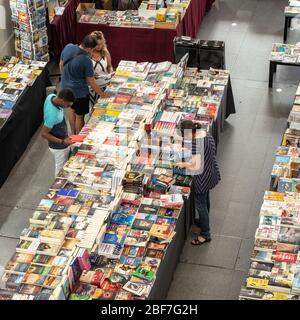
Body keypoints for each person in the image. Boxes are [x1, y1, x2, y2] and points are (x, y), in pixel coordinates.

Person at [175, 120, 221, 245]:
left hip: (201, 177)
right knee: (205, 199)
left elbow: (194, 165)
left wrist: (183, 163)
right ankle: (203, 220)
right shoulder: (206, 134)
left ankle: (205, 234)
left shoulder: (195, 144)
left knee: (200, 204)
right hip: (210, 171)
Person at [59, 35, 111, 134]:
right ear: (88, 48)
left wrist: (65, 76)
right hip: (79, 92)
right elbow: (91, 81)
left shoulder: (68, 47)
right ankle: (78, 138)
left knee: (71, 109)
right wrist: (102, 94)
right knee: (80, 116)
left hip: (65, 87)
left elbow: (61, 64)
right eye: (92, 50)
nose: (92, 52)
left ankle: (73, 134)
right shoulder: (86, 60)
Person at [41, 88, 76, 176]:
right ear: (62, 101)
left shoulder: (51, 96)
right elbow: (44, 133)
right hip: (58, 147)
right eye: (68, 105)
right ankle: (57, 188)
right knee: (60, 167)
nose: (68, 107)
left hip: (63, 138)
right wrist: (63, 142)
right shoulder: (53, 115)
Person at [89, 31, 114, 105]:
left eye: (101, 44)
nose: (99, 46)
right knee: (95, 108)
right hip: (93, 87)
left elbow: (109, 66)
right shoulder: (88, 54)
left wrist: (111, 72)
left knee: (106, 106)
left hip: (105, 84)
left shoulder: (105, 52)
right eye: (96, 44)